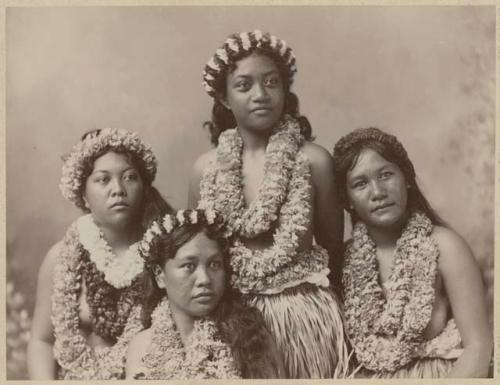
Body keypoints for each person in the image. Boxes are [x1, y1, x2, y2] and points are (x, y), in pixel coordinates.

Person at [189, 30, 349, 378]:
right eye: (244, 85)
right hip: (232, 321)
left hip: (306, 319)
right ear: (224, 98)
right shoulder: (206, 169)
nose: (260, 95)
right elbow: (196, 252)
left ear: (285, 90)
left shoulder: (313, 161)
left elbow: (334, 248)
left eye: (271, 82)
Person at [332, 127, 492, 378]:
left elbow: (479, 347)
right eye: (360, 183)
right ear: (347, 200)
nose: (378, 192)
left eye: (386, 175)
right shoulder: (343, 261)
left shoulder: (445, 247)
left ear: (406, 178)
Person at [27, 128, 173, 380]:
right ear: (83, 193)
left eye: (129, 177)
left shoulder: (165, 252)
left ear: (144, 187)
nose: (118, 189)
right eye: (103, 179)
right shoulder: (60, 257)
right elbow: (41, 342)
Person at [125, 208, 284, 379]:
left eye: (214, 264)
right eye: (189, 266)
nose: (205, 279)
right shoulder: (142, 347)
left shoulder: (250, 339)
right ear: (159, 275)